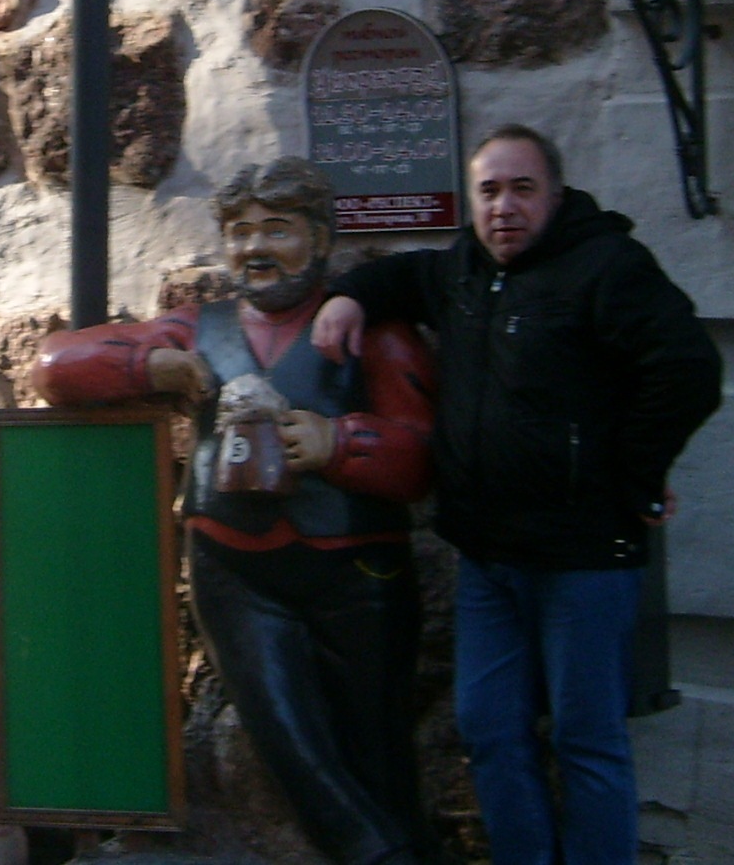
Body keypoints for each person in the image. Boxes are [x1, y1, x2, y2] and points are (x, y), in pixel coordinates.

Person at [312, 124, 723, 865]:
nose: (504, 207)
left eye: (522, 189)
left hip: (584, 558)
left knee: (585, 738)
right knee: (489, 730)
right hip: (488, 559)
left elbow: (689, 370)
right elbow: (397, 276)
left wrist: (634, 474)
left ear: (555, 197)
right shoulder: (462, 271)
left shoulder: (608, 266)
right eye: (489, 191)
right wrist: (346, 296)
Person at [31, 157, 443, 865]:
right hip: (236, 572)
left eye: (277, 230)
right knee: (287, 734)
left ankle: (400, 847)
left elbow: (425, 458)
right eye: (240, 233)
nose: (255, 249)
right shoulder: (200, 328)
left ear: (320, 239)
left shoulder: (373, 333)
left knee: (377, 742)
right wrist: (144, 366)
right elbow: (53, 368)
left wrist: (341, 442)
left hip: (358, 570)